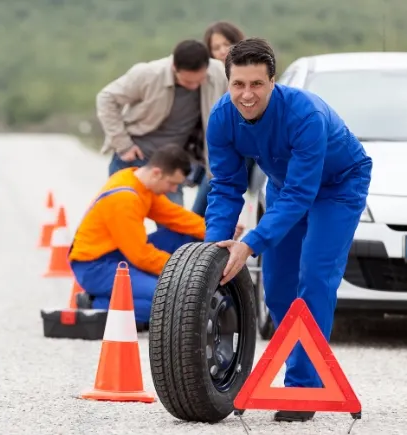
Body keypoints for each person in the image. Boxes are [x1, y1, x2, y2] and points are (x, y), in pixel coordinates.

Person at [203, 38, 372, 423]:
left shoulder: (304, 114)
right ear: (228, 83)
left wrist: (251, 242)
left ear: (273, 81)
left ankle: (303, 387)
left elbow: (302, 193)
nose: (247, 95)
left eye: (257, 84)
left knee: (314, 277)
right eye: (238, 85)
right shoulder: (221, 118)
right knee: (277, 287)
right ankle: (300, 364)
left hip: (339, 186)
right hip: (285, 186)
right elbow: (227, 185)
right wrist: (214, 248)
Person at [68, 145, 243, 329]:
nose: (173, 189)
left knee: (183, 237)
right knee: (167, 302)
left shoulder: (138, 181)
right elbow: (141, 256)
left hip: (119, 254)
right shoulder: (125, 199)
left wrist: (220, 230)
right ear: (157, 173)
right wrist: (183, 273)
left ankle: (122, 294)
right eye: (172, 183)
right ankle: (94, 303)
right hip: (95, 267)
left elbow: (176, 217)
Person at [96, 39, 228, 207]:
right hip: (135, 156)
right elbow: (106, 98)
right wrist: (123, 144)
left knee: (174, 224)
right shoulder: (148, 74)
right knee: (119, 213)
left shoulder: (218, 73)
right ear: (174, 67)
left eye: (199, 80)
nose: (194, 86)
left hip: (172, 163)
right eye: (188, 82)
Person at [192, 21, 248, 217]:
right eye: (216, 48)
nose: (223, 51)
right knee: (203, 212)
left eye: (227, 44)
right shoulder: (206, 77)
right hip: (216, 155)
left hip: (241, 152)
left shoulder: (251, 71)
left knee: (205, 211)